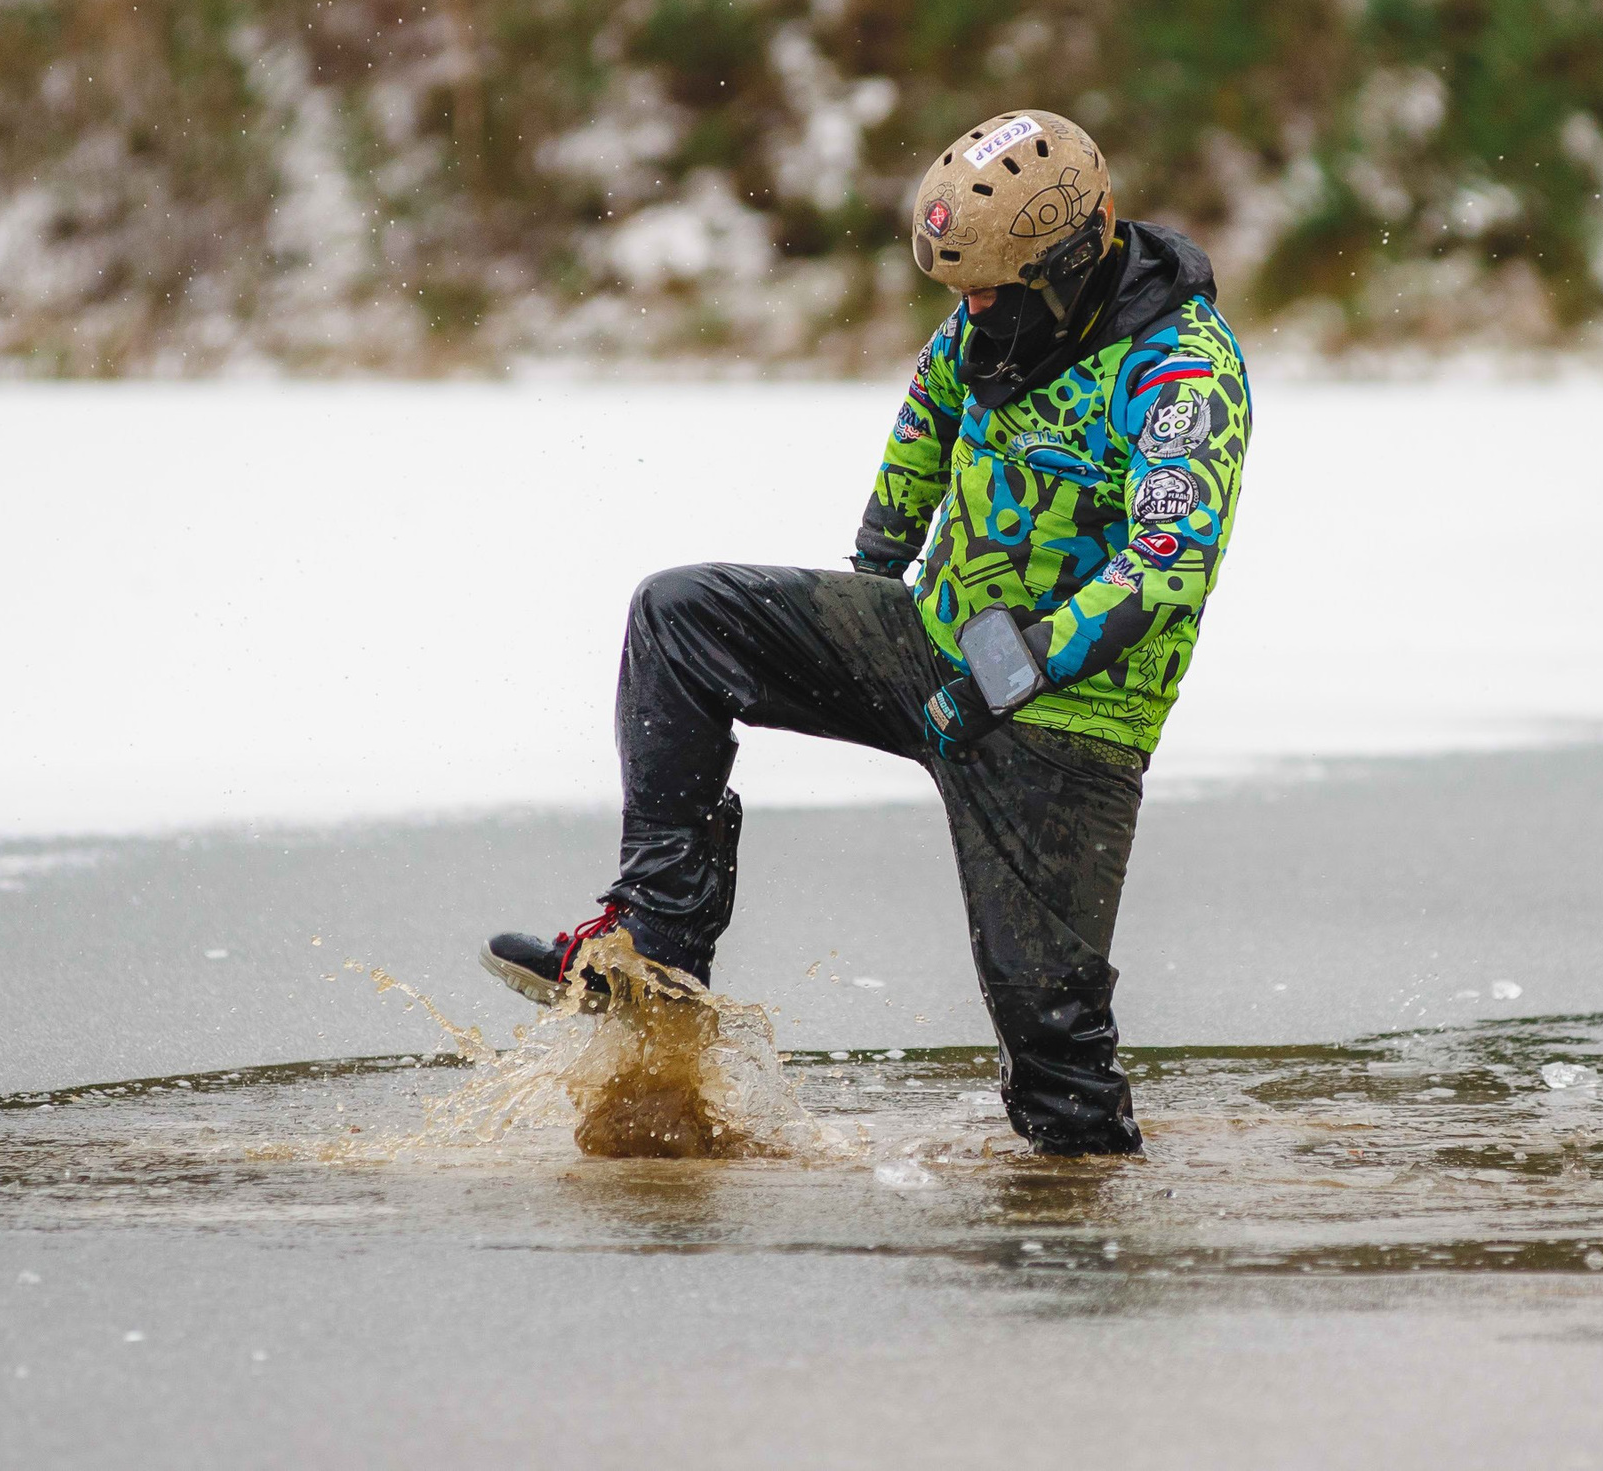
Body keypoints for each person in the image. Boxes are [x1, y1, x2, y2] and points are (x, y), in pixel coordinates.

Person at [481, 109, 1251, 1155]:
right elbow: (927, 419)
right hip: (930, 645)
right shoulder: (990, 318)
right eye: (956, 292)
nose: (969, 312)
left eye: (988, 291)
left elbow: (1166, 567)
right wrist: (867, 597)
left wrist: (1002, 682)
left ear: (1070, 258)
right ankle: (653, 955)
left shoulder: (1180, 374)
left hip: (1070, 723)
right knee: (684, 616)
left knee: (1057, 1064)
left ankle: (1082, 1250)